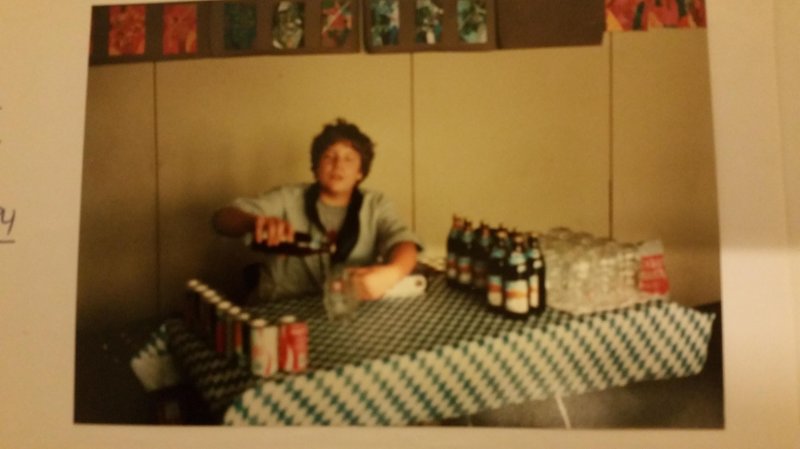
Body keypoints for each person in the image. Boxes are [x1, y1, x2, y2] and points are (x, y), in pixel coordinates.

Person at [212, 118, 422, 303]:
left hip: (346, 311)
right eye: (329, 157)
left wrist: (393, 272)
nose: (338, 165)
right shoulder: (286, 197)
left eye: (349, 159)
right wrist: (254, 222)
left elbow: (402, 240)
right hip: (280, 310)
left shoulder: (376, 204)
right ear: (315, 168)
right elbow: (222, 219)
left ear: (360, 172)